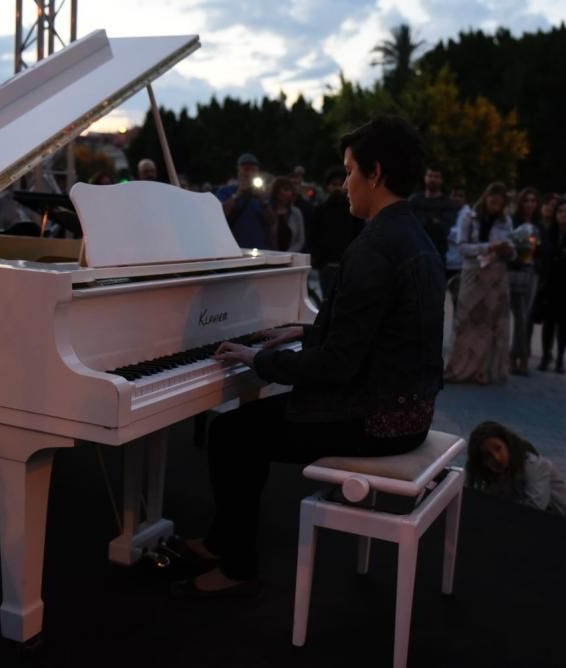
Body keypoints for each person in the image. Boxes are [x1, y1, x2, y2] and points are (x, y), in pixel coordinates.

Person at [169, 116, 445, 597]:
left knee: (232, 433)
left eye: (349, 171)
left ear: (375, 174)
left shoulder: (374, 246)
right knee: (245, 427)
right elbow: (375, 333)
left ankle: (237, 563)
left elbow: (337, 366)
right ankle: (220, 539)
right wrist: (305, 329)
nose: (345, 185)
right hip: (410, 410)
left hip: (374, 418)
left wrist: (258, 361)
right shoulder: (415, 238)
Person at [444, 182, 514, 385]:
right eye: (493, 200)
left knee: (489, 325)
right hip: (473, 275)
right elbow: (462, 247)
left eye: (499, 203)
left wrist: (508, 250)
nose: (495, 205)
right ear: (486, 198)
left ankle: (482, 370)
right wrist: (488, 247)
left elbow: (511, 247)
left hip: (495, 277)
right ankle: (458, 368)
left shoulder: (505, 221)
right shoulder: (469, 217)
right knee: (465, 323)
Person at [466, 421, 566, 522]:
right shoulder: (495, 475)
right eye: (488, 456)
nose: (496, 458)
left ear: (507, 444)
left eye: (498, 448)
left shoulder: (533, 465)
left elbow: (535, 508)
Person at [533, 197, 566, 373]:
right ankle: (546, 355)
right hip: (550, 283)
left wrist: (560, 254)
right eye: (560, 211)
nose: (563, 214)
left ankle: (560, 358)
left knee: (563, 323)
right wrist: (563, 253)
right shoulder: (549, 232)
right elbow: (544, 252)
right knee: (548, 322)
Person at [309, 167, 365, 298]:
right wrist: (320, 259)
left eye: (340, 184)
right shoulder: (320, 210)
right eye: (333, 184)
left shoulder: (355, 212)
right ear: (327, 186)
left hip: (348, 266)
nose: (337, 188)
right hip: (327, 266)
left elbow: (359, 236)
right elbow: (313, 236)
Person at [508, 187, 543, 376]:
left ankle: (520, 354)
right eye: (526, 200)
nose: (529, 204)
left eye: (533, 200)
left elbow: (544, 251)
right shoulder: (512, 222)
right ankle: (512, 355)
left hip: (531, 273)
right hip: (514, 271)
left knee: (524, 316)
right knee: (514, 315)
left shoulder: (540, 226)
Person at [216, 152, 269, 249]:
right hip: (232, 248)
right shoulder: (225, 190)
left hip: (259, 248)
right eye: (246, 169)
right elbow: (219, 214)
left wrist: (262, 199)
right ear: (238, 170)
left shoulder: (263, 194)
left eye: (253, 170)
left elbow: (272, 221)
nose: (249, 173)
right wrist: (237, 194)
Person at [409, 164, 459, 266]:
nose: (432, 179)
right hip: (413, 251)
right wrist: (432, 220)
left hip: (437, 252)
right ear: (425, 178)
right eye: (430, 176)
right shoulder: (414, 200)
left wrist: (424, 221)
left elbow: (445, 227)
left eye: (436, 177)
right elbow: (408, 223)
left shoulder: (448, 203)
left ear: (441, 180)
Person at [265, 176, 306, 252]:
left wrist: (287, 254)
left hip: (291, 257)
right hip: (271, 257)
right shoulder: (268, 211)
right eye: (286, 189)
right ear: (276, 192)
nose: (289, 193)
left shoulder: (296, 213)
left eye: (290, 190)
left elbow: (300, 240)